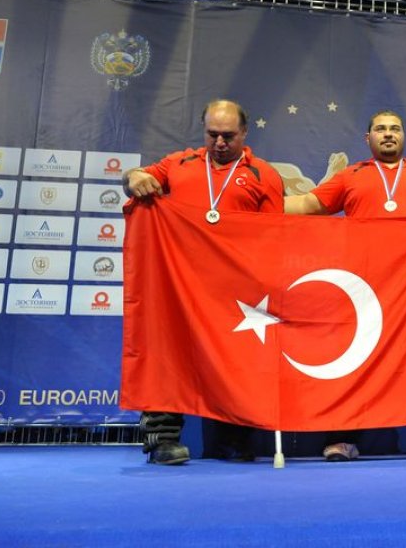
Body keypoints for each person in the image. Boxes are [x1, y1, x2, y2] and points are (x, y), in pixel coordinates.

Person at [284, 109, 406, 461]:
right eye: (380, 129)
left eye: (395, 128)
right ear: (368, 139)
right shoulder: (352, 175)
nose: (388, 134)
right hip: (361, 289)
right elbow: (308, 204)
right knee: (353, 360)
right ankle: (343, 438)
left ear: (404, 136)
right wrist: (253, 205)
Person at [122, 99, 284, 465]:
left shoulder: (265, 175)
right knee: (167, 355)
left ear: (244, 132)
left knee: (233, 359)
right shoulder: (178, 163)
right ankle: (162, 440)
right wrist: (133, 177)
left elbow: (276, 234)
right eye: (212, 134)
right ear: (203, 130)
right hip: (178, 281)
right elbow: (135, 178)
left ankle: (232, 438)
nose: (220, 142)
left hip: (235, 286)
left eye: (228, 135)